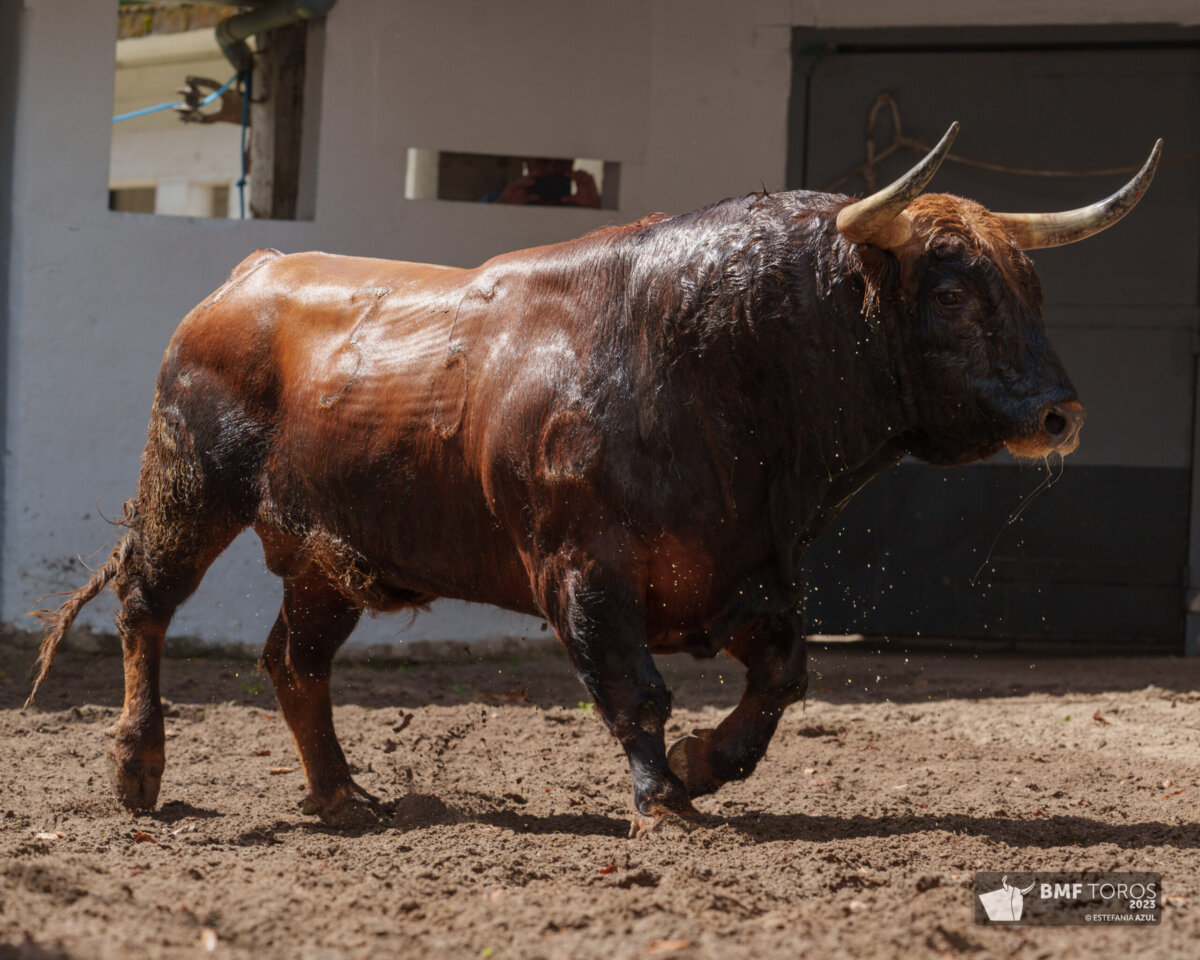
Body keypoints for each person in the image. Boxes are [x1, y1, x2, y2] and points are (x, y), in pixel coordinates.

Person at [493, 157, 600, 207]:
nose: (551, 168)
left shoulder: (582, 202)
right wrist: (502, 205)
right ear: (526, 162)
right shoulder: (505, 198)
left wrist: (594, 207)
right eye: (543, 161)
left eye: (561, 162)